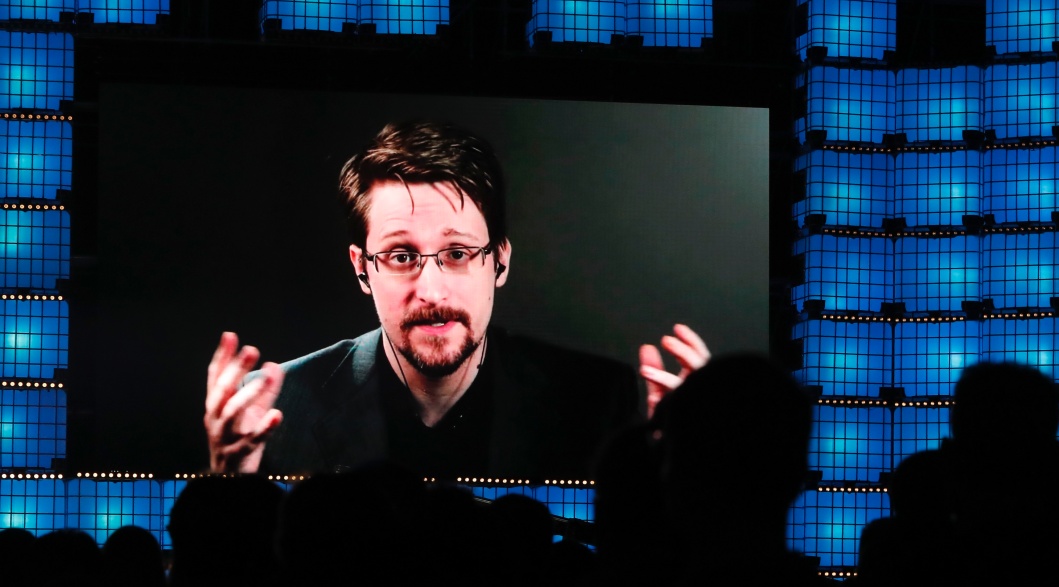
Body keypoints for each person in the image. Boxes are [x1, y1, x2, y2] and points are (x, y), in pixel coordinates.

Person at [203, 120, 710, 479]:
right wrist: (228, 487)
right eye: (401, 255)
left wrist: (685, 476)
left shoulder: (600, 406)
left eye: (458, 252)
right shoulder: (274, 410)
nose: (432, 289)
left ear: (500, 262)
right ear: (362, 268)